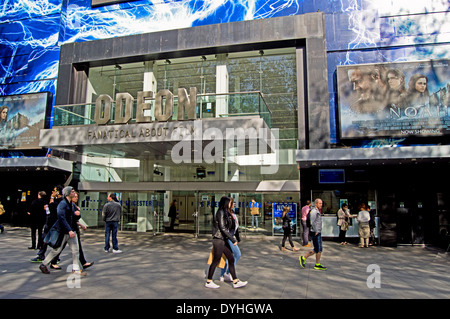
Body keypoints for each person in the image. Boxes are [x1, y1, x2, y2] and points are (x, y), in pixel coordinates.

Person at [39, 186, 86, 276]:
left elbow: (71, 218)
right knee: (56, 250)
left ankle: (76, 269)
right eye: (72, 191)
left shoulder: (71, 204)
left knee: (75, 250)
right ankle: (44, 264)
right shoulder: (63, 204)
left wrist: (79, 221)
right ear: (68, 193)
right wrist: (69, 230)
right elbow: (61, 217)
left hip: (70, 231)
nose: (74, 193)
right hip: (63, 232)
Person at [206, 196, 247, 289]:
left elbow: (231, 227)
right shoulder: (220, 212)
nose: (231, 204)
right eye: (229, 202)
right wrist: (233, 240)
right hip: (218, 240)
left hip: (223, 239)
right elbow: (223, 228)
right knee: (216, 260)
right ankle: (208, 281)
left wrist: (236, 236)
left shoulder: (225, 213)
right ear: (225, 203)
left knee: (231, 259)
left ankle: (235, 281)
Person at [30, 185, 62, 264]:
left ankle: (54, 257)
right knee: (45, 239)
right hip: (50, 222)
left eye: (54, 191)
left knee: (56, 241)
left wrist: (51, 200)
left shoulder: (60, 201)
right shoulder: (56, 200)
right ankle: (42, 255)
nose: (52, 192)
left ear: (57, 192)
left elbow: (52, 207)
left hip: (54, 223)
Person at [299, 198, 327, 270]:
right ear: (316, 204)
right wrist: (316, 230)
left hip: (317, 232)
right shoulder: (314, 211)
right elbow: (312, 222)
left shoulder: (317, 211)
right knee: (317, 248)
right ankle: (304, 257)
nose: (321, 205)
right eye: (320, 203)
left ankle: (317, 263)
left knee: (319, 249)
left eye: (321, 203)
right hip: (315, 232)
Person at [220, 198, 242, 282]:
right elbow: (225, 228)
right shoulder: (226, 214)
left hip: (232, 237)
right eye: (232, 203)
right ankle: (228, 272)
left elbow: (235, 228)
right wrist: (232, 239)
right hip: (228, 238)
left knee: (228, 256)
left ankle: (222, 274)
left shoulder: (233, 214)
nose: (234, 204)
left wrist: (238, 237)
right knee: (237, 254)